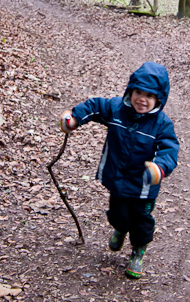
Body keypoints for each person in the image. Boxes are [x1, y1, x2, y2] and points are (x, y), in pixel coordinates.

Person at [60, 62, 179, 279]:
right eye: (138, 92)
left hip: (143, 186)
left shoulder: (162, 125)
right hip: (117, 179)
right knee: (117, 214)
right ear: (130, 91)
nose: (142, 99)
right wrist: (75, 117)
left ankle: (137, 251)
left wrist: (160, 168)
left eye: (149, 95)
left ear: (159, 99)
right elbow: (95, 106)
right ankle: (120, 229)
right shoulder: (117, 109)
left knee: (141, 220)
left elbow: (169, 150)